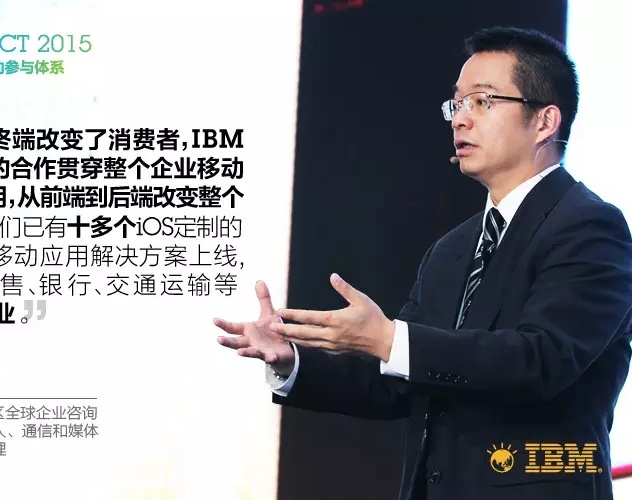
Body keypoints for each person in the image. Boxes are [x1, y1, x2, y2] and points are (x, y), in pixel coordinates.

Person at [213, 26, 632, 500]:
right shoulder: (452, 249)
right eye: (457, 104)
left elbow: (540, 361)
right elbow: (402, 381)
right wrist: (293, 362)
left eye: (482, 102)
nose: (460, 120)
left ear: (544, 121)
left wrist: (389, 338)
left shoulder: (590, 227)